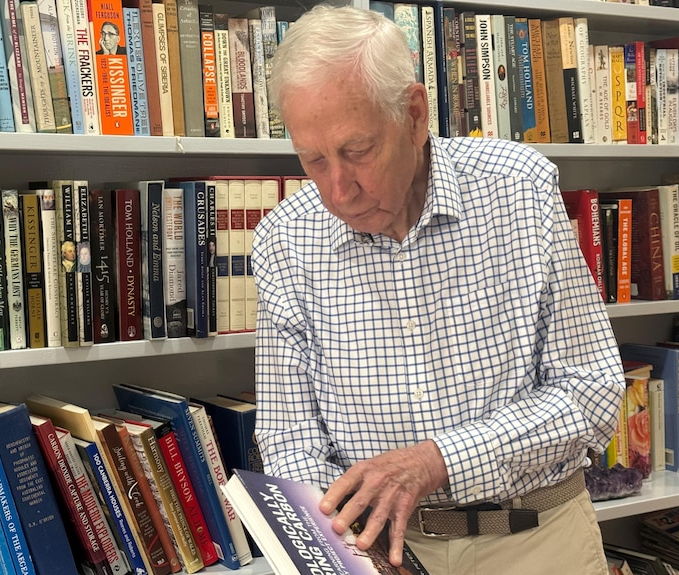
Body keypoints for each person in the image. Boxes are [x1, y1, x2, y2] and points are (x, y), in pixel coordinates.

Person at [252, 5, 625, 575]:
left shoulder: (519, 191)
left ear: (415, 114)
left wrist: (439, 460)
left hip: (536, 538)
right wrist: (352, 545)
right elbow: (287, 437)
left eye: (357, 151)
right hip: (381, 554)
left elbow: (592, 392)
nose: (338, 189)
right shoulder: (284, 241)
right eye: (313, 160)